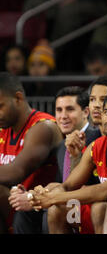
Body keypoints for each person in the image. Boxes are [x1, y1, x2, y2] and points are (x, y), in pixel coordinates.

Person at [9, 86, 100, 234]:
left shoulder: (96, 139)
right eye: (59, 110)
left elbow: (87, 186)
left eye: (69, 109)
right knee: (25, 213)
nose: (63, 116)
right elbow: (61, 182)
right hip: (66, 200)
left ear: (85, 112)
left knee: (51, 211)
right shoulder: (62, 147)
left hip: (89, 205)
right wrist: (33, 195)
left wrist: (35, 198)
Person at [30, 94, 107, 234]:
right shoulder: (95, 146)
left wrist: (53, 198)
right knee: (56, 209)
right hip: (97, 209)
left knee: (100, 208)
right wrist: (42, 194)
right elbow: (68, 185)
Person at [0, 72, 62, 233]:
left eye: (0, 106)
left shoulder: (43, 127)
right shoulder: (3, 128)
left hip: (36, 208)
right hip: (12, 206)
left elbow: (15, 173)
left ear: (18, 98)